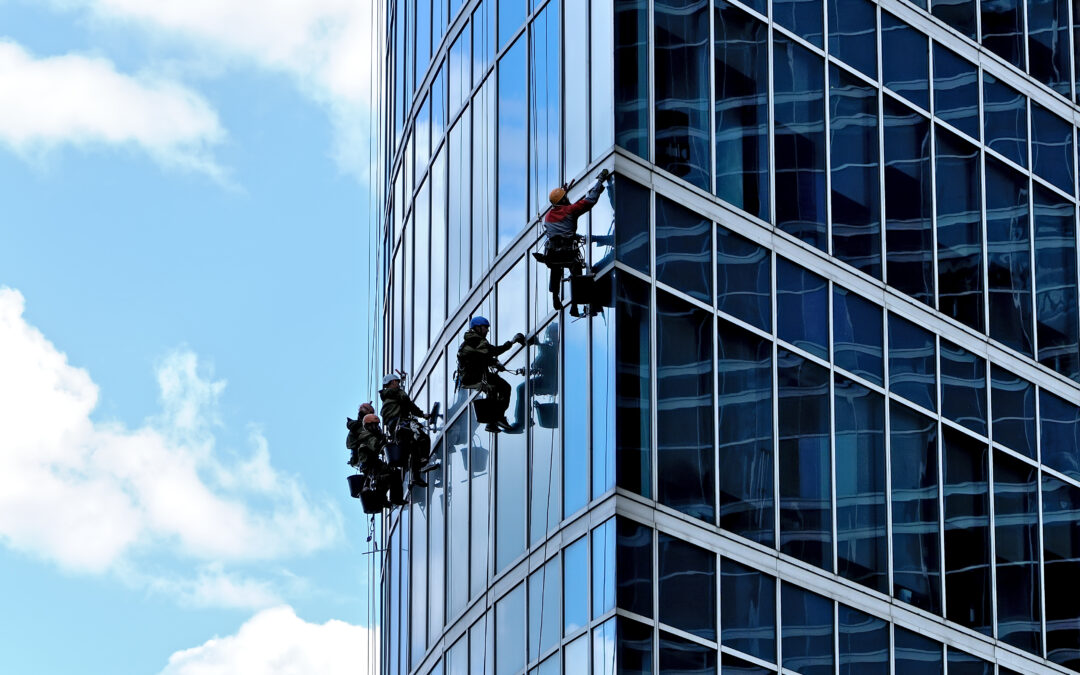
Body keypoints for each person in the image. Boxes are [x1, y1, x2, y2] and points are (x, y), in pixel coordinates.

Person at [534, 168, 612, 315]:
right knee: (576, 272)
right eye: (565, 197)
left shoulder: (548, 216)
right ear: (563, 200)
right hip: (568, 253)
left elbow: (559, 231)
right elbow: (590, 201)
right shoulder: (570, 210)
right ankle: (575, 305)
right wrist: (600, 181)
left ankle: (555, 296)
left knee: (555, 268)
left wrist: (563, 191)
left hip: (553, 252)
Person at [456, 316, 526, 432]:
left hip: (472, 376)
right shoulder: (475, 340)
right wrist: (512, 341)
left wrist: (494, 363)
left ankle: (491, 423)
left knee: (494, 390)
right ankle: (498, 418)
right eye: (485, 327)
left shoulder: (471, 341)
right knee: (504, 388)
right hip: (475, 376)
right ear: (477, 328)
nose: (487, 330)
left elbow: (480, 358)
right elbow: (494, 351)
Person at [378, 372, 433, 488]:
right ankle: (423, 462)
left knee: (413, 448)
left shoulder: (388, 396)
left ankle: (415, 477)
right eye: (397, 382)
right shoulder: (396, 394)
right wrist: (422, 414)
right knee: (423, 438)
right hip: (402, 424)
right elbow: (409, 405)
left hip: (396, 428)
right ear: (393, 382)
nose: (398, 384)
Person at [346, 413, 406, 507]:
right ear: (368, 425)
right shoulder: (366, 435)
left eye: (377, 425)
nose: (376, 427)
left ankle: (391, 499)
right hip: (370, 465)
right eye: (374, 425)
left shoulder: (373, 434)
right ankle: (388, 499)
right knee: (387, 477)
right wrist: (384, 444)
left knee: (393, 474)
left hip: (373, 463)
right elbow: (375, 445)